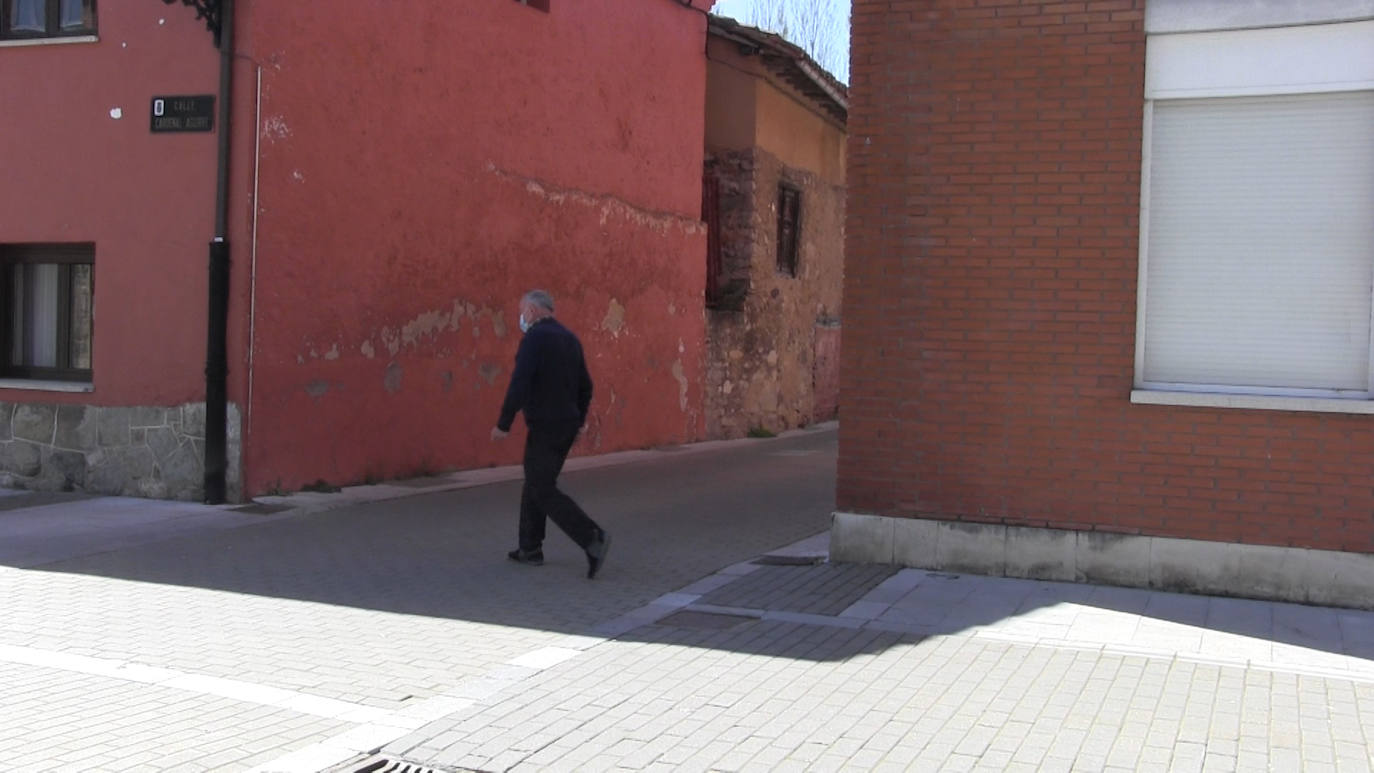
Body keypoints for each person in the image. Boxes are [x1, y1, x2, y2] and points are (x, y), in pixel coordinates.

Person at [491, 289, 611, 579]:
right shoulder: (570, 339)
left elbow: (520, 382)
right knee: (535, 481)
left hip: (545, 425)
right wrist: (580, 419)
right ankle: (529, 547)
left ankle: (592, 538)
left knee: (542, 487)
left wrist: (503, 423)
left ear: (531, 312)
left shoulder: (534, 339)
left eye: (522, 312)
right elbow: (586, 385)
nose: (521, 318)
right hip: (565, 426)